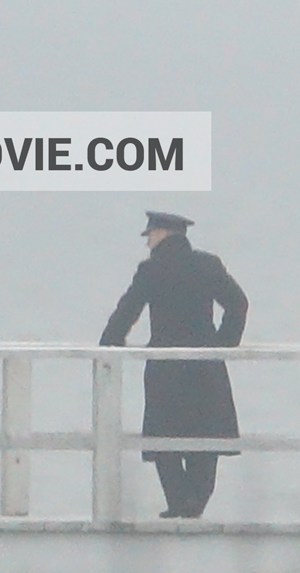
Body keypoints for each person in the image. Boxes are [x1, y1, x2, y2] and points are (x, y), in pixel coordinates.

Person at [99, 211, 249, 518]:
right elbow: (238, 303)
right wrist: (223, 344)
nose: (148, 242)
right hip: (207, 366)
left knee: (164, 439)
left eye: (150, 235)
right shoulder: (208, 265)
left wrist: (110, 346)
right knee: (205, 439)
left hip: (165, 368)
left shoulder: (151, 269)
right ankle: (195, 503)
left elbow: (126, 312)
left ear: (163, 234)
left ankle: (179, 502)